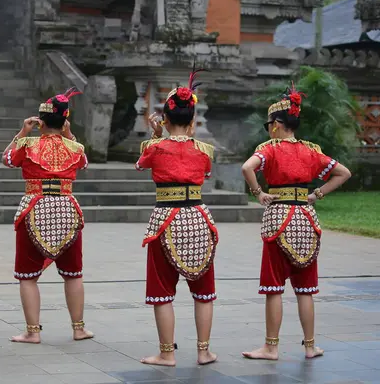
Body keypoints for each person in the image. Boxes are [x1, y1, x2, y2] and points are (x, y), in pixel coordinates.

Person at [241, 83, 351, 360]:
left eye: (270, 124)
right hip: (305, 216)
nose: (268, 128)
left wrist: (258, 192)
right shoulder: (311, 151)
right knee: (305, 289)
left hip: (278, 218)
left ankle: (271, 347)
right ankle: (311, 346)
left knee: (273, 287)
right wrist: (318, 193)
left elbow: (247, 167)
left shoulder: (270, 149)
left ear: (277, 124)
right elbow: (343, 173)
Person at [136, 70, 218, 366]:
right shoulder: (205, 150)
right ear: (193, 121)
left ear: (165, 120)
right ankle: (204, 351)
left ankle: (167, 353)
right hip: (197, 217)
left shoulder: (155, 147)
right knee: (203, 291)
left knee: (162, 290)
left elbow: (140, 164)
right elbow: (204, 172)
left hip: (165, 220)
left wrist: (155, 135)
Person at [2, 88, 94, 344]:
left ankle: (33, 331)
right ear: (65, 120)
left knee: (28, 276)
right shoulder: (75, 147)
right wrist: (68, 133)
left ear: (40, 122)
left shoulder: (27, 144)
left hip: (34, 207)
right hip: (66, 207)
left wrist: (23, 132)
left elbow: (7, 159)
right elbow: (84, 163)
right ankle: (78, 328)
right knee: (73, 273)